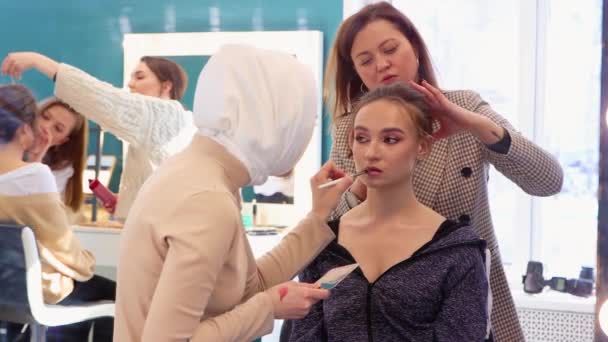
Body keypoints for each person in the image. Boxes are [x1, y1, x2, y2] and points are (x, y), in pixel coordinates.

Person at [324, 2, 563, 341]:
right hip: (390, 311)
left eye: (390, 49)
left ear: (415, 49)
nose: (382, 64)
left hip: (473, 302)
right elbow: (333, 236)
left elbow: (548, 181)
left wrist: (476, 125)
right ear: (357, 73)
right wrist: (363, 184)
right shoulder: (354, 130)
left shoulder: (464, 109)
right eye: (366, 60)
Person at [114, 44, 353, 342]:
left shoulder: (201, 174)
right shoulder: (207, 199)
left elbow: (248, 286)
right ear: (273, 119)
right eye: (304, 119)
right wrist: (268, 308)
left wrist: (318, 216)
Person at [288, 83, 489, 341]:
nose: (371, 153)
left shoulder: (457, 251)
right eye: (361, 138)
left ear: (423, 146)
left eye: (390, 139)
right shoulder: (324, 243)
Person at [1, 52, 194, 221]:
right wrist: (129, 200)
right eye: (45, 117)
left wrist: (38, 61)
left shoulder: (162, 114)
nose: (130, 84)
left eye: (140, 77)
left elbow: (99, 96)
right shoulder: (181, 125)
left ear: (166, 86)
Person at [0, 84, 114, 341]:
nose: (44, 129)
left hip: (7, 288)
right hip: (33, 290)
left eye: (57, 128)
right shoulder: (37, 176)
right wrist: (86, 262)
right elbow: (66, 251)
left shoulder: (35, 173)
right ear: (24, 127)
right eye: (44, 118)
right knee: (114, 293)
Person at [28, 97, 88, 222]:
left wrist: (35, 160)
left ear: (62, 141)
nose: (45, 126)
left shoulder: (61, 170)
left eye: (58, 128)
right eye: (45, 117)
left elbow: (34, 211)